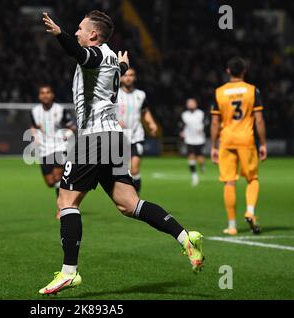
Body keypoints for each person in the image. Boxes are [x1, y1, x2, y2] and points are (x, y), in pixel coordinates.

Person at [39, 10, 205, 295]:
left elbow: (81, 55)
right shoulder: (113, 58)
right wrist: (124, 65)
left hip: (95, 137)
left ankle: (69, 272)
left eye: (80, 29)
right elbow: (112, 69)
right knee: (129, 204)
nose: (77, 32)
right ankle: (185, 237)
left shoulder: (96, 54)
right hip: (114, 138)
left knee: (66, 200)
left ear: (93, 34)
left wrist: (59, 35)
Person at [210, 57, 266, 236]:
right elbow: (258, 120)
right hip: (246, 140)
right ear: (244, 71)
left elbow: (214, 122)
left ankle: (232, 225)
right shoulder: (252, 91)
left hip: (226, 140)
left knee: (229, 182)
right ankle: (250, 211)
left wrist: (213, 146)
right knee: (252, 178)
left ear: (228, 71)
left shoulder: (219, 92)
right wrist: (263, 143)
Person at [31, 84, 75, 219]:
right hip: (44, 150)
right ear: (39, 96)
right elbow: (33, 126)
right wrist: (34, 138)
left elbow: (72, 126)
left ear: (52, 95)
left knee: (57, 177)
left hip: (59, 147)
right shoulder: (35, 111)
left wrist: (67, 135)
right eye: (42, 93)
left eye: (48, 92)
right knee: (50, 182)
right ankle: (66, 195)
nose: (45, 95)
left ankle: (61, 209)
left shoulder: (60, 110)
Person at [117, 68, 158, 194]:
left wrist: (151, 124)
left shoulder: (141, 95)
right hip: (118, 137)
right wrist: (115, 121)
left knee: (134, 169)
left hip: (136, 135)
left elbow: (145, 111)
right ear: (120, 78)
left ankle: (136, 198)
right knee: (119, 172)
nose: (128, 78)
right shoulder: (114, 94)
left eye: (131, 75)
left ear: (134, 78)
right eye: (125, 75)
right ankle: (123, 199)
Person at [180, 98, 206, 186]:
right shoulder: (184, 115)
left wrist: (203, 128)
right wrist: (182, 132)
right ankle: (194, 176)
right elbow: (182, 125)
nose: (190, 104)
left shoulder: (201, 113)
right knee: (191, 157)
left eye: (192, 103)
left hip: (199, 139)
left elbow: (206, 122)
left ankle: (202, 165)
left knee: (200, 159)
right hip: (189, 139)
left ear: (196, 104)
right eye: (189, 103)